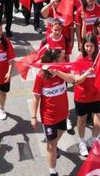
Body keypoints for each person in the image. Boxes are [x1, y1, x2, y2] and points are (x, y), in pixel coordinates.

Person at [31, 48, 75, 176]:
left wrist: (58, 72)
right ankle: (52, 171)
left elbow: (72, 80)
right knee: (51, 145)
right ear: (54, 60)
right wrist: (33, 116)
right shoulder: (41, 76)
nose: (65, 60)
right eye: (61, 58)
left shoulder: (63, 69)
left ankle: (54, 144)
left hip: (62, 114)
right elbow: (36, 97)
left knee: (58, 136)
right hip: (49, 116)